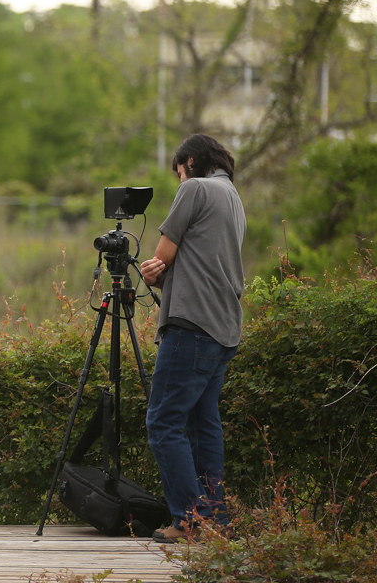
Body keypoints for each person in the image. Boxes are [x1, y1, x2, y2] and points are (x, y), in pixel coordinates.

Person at [139, 134, 246, 543]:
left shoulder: (195, 188)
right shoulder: (233, 198)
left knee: (163, 421)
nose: (179, 179)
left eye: (178, 171)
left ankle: (190, 520)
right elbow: (203, 264)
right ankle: (215, 520)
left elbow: (161, 257)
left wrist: (153, 273)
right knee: (204, 424)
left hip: (191, 325)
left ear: (189, 162)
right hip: (224, 328)